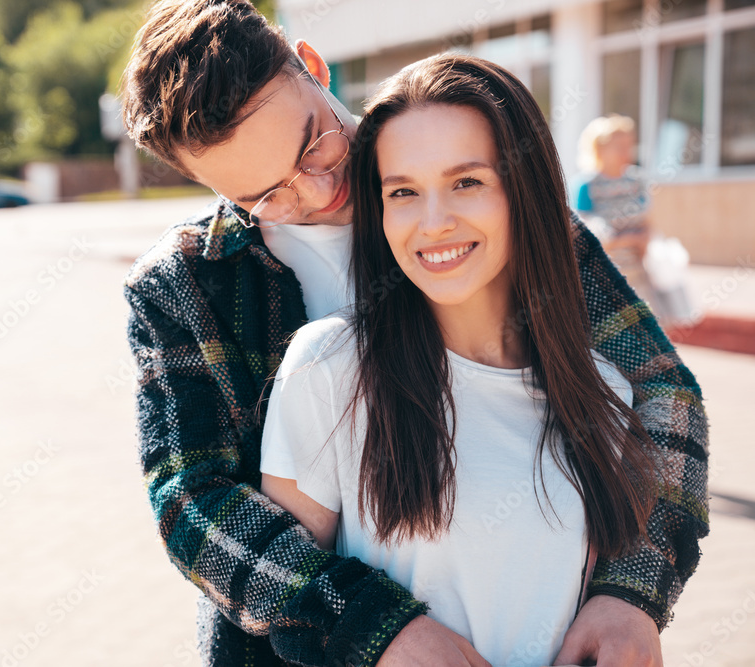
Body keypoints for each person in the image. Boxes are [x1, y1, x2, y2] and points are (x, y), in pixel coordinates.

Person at [121, 2, 709, 665]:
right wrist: (371, 624)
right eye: (267, 195)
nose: (315, 191)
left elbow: (663, 390)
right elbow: (193, 501)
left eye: (315, 142)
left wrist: (632, 587)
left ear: (314, 67)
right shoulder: (183, 285)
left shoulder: (469, 184)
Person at [260, 54, 674, 667]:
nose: (433, 223)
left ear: (523, 192)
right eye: (403, 192)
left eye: (466, 182)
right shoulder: (329, 369)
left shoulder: (603, 391)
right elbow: (284, 605)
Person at [574, 115, 691, 326]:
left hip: (640, 273)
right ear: (599, 149)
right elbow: (585, 236)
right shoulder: (586, 185)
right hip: (603, 278)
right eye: (618, 146)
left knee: (652, 333)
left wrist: (643, 239)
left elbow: (647, 223)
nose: (626, 151)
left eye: (629, 145)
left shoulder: (637, 180)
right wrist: (628, 240)